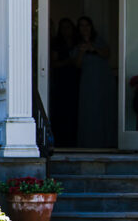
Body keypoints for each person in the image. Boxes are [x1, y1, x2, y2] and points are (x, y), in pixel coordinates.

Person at [73, 16, 115, 148]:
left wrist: (93, 48)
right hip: (88, 82)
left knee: (105, 110)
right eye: (81, 26)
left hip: (104, 80)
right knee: (89, 111)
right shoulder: (77, 44)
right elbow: (77, 65)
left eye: (87, 25)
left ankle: (107, 142)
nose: (85, 28)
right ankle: (89, 143)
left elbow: (107, 54)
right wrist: (82, 51)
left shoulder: (99, 40)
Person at [49, 18, 79, 147]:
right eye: (63, 27)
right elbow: (53, 63)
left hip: (76, 80)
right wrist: (68, 61)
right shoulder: (56, 43)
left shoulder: (77, 42)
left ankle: (74, 141)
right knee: (61, 111)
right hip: (61, 80)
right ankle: (60, 141)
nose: (66, 30)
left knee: (75, 111)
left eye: (69, 27)